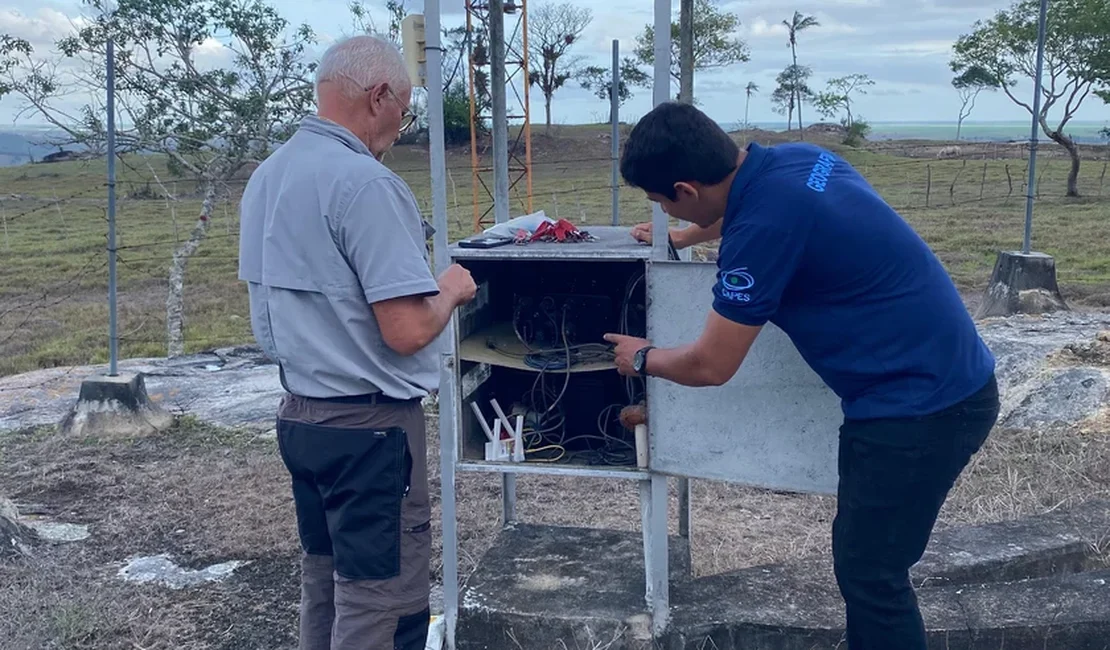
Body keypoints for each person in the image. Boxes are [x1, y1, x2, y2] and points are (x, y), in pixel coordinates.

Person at [604, 102, 999, 650]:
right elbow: (756, 214)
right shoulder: (800, 160)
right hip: (950, 378)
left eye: (663, 202)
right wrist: (683, 238)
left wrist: (643, 357)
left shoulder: (760, 233)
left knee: (872, 576)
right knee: (866, 565)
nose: (665, 211)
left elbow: (711, 364)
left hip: (918, 411)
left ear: (685, 189)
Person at [238, 34, 476, 650]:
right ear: (378, 97)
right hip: (370, 429)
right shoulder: (365, 185)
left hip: (301, 418)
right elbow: (407, 331)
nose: (403, 123)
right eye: (405, 107)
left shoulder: (268, 176)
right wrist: (450, 289)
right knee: (380, 597)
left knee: (325, 581)